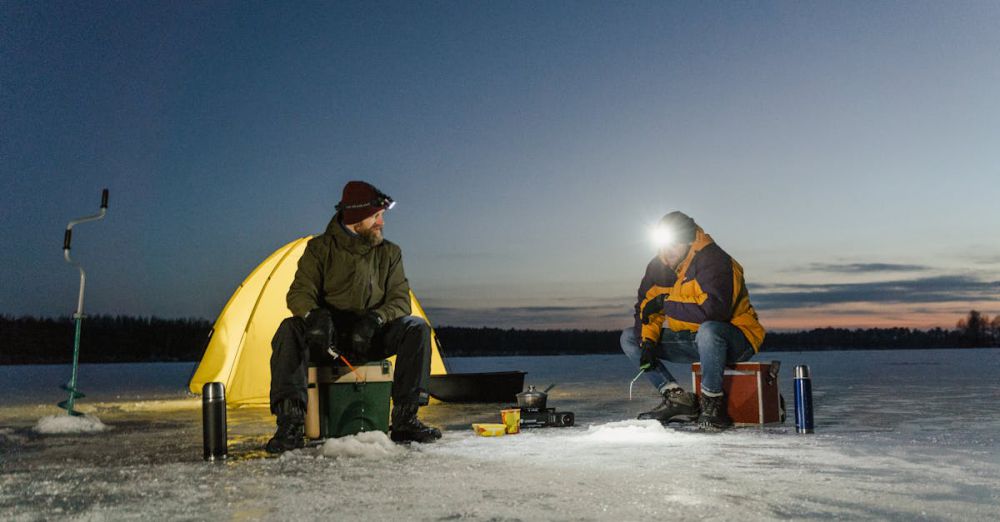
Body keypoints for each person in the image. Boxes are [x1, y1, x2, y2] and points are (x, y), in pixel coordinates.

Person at [266, 181, 441, 453]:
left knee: (416, 328)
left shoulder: (390, 253)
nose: (381, 222)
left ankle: (406, 418)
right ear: (356, 218)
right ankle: (290, 424)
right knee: (289, 329)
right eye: (376, 216)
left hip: (370, 335)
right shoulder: (319, 249)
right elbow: (299, 293)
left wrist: (376, 319)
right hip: (329, 340)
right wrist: (314, 317)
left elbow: (400, 300)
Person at [621, 211, 765, 431]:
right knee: (630, 338)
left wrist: (665, 303)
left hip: (734, 338)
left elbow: (714, 312)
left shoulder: (714, 260)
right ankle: (678, 399)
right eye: (664, 245)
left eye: (674, 245)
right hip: (692, 340)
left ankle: (712, 405)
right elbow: (647, 309)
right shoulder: (658, 268)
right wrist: (648, 342)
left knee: (708, 330)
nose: (667, 253)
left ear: (688, 240)